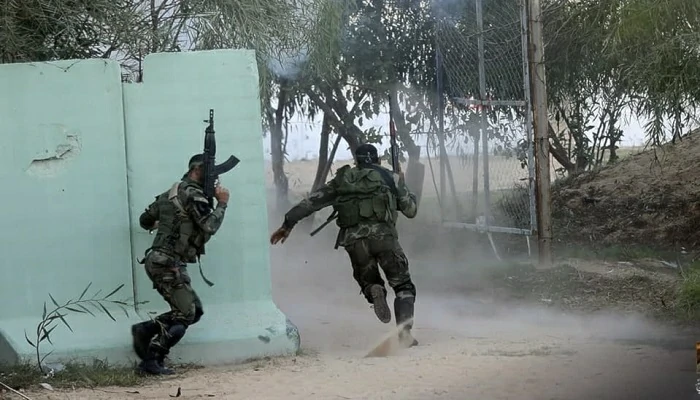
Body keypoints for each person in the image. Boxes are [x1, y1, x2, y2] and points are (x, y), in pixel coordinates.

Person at [270, 143, 420, 347]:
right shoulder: (389, 177)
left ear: (356, 160)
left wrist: (288, 224)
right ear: (376, 160)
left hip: (354, 241)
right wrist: (402, 184)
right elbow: (410, 210)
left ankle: (374, 288)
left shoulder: (341, 181)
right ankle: (404, 334)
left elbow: (311, 203)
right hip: (384, 239)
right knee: (403, 286)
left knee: (367, 280)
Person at [130, 154, 230, 375]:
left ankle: (145, 330)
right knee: (186, 314)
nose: (214, 180)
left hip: (161, 260)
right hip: (167, 263)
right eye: (210, 173)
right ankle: (151, 359)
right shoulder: (194, 196)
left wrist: (168, 221)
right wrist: (222, 202)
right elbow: (209, 226)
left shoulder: (170, 193)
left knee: (195, 311)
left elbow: (144, 220)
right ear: (196, 170)